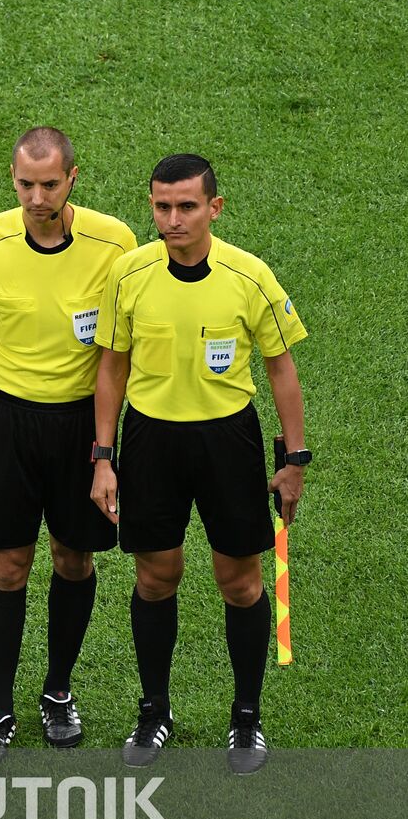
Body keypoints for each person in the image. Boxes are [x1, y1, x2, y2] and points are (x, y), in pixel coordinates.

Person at [92, 153, 310, 774]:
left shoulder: (250, 276)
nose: (172, 218)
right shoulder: (129, 274)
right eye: (162, 206)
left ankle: (246, 717)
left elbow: (281, 371)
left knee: (239, 582)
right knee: (155, 578)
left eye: (187, 206)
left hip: (228, 443)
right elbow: (112, 367)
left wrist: (294, 460)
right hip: (150, 442)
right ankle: (154, 711)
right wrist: (103, 457)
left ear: (214, 207)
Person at [0, 128, 137, 765]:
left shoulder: (116, 244)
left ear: (73, 179)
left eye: (49, 184)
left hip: (82, 424)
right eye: (25, 184)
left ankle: (58, 690)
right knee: (7, 566)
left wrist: (104, 451)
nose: (36, 196)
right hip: (6, 421)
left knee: (74, 559)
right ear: (13, 177)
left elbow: (117, 353)